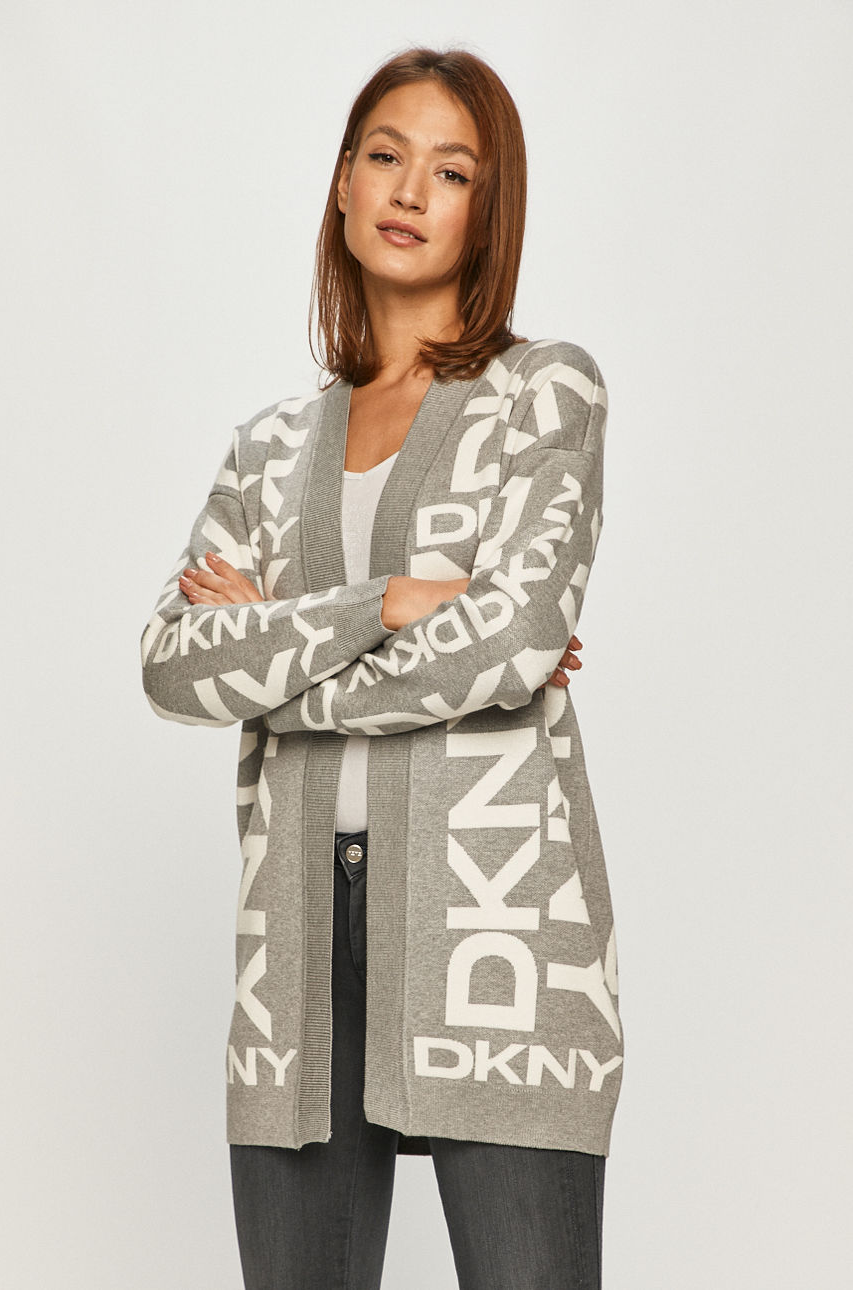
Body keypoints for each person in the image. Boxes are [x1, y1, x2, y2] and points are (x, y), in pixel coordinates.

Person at [140, 46, 622, 1290]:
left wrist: (279, 656)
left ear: (487, 209)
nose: (410, 190)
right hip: (292, 951)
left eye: (451, 171)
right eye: (385, 156)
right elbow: (175, 664)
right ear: (344, 184)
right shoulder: (266, 450)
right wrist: (395, 603)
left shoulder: (544, 393)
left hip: (497, 934)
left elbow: (516, 639)